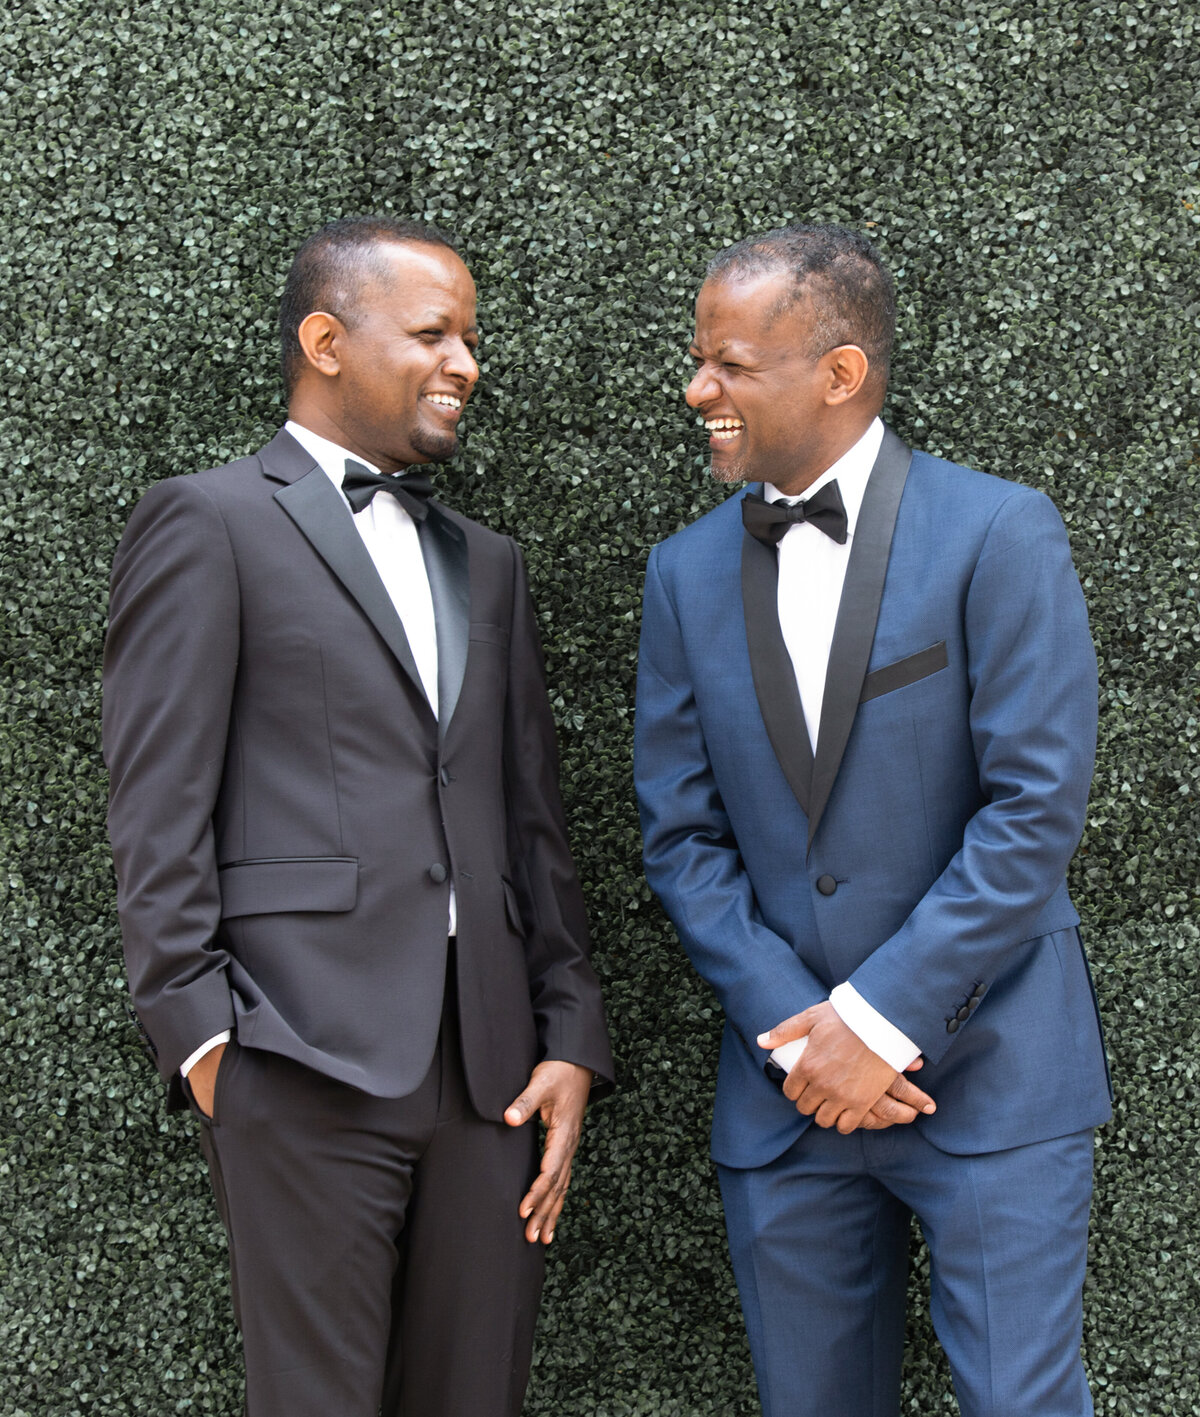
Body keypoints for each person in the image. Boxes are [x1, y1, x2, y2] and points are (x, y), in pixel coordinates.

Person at [103, 215, 614, 1417]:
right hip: (298, 1060)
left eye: (470, 339)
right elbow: (155, 804)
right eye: (433, 334)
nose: (465, 364)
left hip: (492, 1078)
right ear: (326, 342)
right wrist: (207, 1045)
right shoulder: (208, 521)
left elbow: (531, 821)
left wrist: (570, 1035)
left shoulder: (488, 560)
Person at [634, 224, 1111, 1417]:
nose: (698, 389)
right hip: (785, 1100)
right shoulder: (683, 574)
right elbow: (682, 838)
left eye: (730, 364)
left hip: (996, 1076)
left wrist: (878, 1020)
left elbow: (1033, 809)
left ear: (839, 373)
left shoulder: (999, 532)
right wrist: (805, 1041)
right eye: (699, 361)